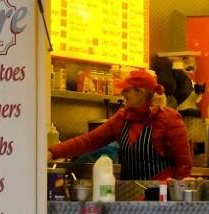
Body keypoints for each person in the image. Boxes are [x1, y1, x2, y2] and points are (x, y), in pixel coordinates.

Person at [49, 68, 192, 181]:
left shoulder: (168, 119)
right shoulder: (123, 117)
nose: (122, 93)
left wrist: (173, 197)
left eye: (127, 90)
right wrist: (52, 152)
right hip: (129, 193)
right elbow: (90, 140)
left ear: (140, 92)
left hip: (161, 197)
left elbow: (184, 164)